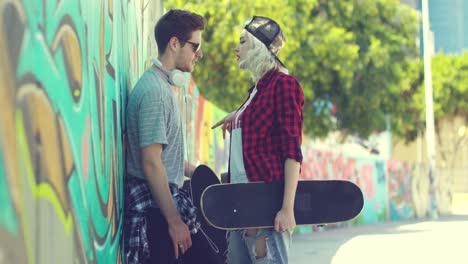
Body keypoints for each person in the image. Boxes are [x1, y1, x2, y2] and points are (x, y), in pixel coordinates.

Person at [124, 9, 221, 264]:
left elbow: (163, 158)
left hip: (163, 206)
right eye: (195, 46)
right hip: (157, 212)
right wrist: (175, 221)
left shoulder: (162, 87)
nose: (199, 53)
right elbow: (151, 163)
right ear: (175, 43)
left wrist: (198, 171)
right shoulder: (155, 92)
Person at [212, 16, 304, 264]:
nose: (236, 48)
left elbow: (292, 151)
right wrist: (236, 116)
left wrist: (287, 209)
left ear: (258, 48)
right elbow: (258, 122)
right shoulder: (255, 92)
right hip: (240, 208)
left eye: (242, 42)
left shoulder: (284, 85)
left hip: (265, 209)